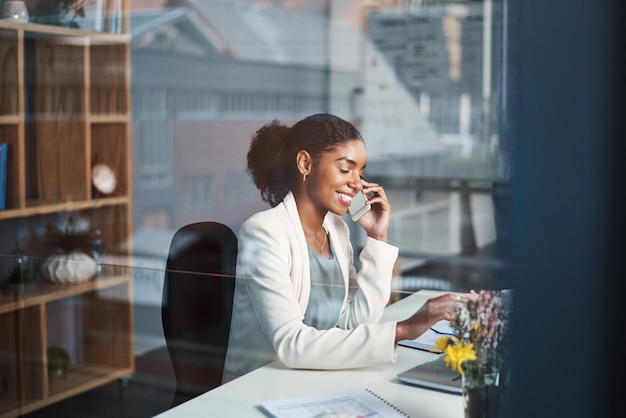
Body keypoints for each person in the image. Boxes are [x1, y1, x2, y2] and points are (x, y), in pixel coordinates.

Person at [223, 114, 457, 382]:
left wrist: (377, 236)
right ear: (305, 163)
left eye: (361, 172)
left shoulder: (336, 229)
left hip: (313, 379)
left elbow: (354, 322)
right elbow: (291, 343)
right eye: (345, 169)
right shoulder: (264, 232)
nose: (357, 183)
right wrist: (402, 330)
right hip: (259, 385)